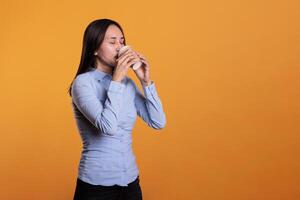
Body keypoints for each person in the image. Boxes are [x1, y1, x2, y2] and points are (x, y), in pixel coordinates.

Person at [69, 19, 166, 200]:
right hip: (96, 187)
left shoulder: (127, 84)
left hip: (130, 182)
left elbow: (158, 122)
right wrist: (117, 80)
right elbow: (109, 127)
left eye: (122, 42)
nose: (119, 47)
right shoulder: (82, 84)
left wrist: (146, 82)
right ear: (95, 49)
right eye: (112, 42)